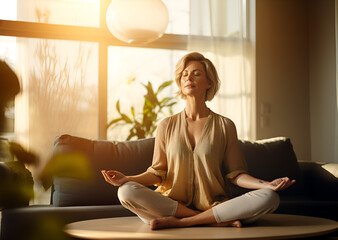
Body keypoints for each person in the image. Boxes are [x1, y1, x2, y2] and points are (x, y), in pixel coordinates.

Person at [102, 52, 295, 230]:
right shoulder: (166, 126)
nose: (188, 78)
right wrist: (127, 179)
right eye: (184, 74)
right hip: (171, 205)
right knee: (126, 192)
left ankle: (184, 223)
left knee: (270, 198)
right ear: (180, 81)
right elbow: (157, 173)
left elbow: (236, 175)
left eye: (196, 74)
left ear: (209, 82)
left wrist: (266, 184)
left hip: (214, 205)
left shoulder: (225, 125)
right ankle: (209, 220)